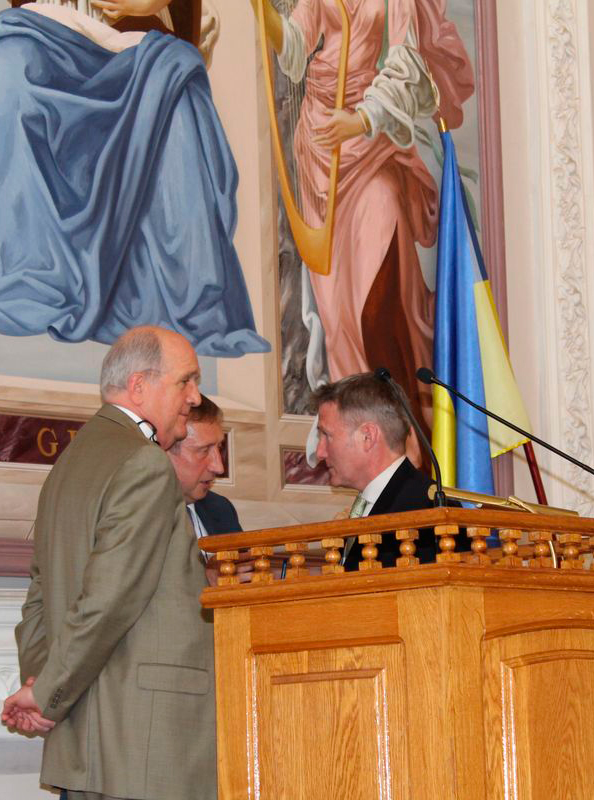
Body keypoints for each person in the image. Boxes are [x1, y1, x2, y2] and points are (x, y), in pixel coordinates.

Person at [0, 1, 270, 359]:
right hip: (47, 35)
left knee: (174, 92)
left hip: (136, 39)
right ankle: (27, 278)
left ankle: (185, 291)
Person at [2, 325, 217, 800]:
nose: (195, 397)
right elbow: (110, 599)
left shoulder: (69, 464)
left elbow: (39, 597)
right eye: (185, 381)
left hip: (89, 740)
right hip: (145, 743)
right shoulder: (146, 463)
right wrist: (46, 693)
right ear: (139, 386)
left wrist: (43, 684)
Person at [250, 0, 474, 422]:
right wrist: (264, 14)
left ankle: (401, 427)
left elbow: (408, 64)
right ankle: (357, 427)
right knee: (338, 317)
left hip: (371, 145)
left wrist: (362, 119)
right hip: (320, 145)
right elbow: (295, 46)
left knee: (376, 304)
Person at [313, 372, 464, 569]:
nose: (320, 452)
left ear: (368, 437)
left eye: (327, 435)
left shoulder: (432, 511)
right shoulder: (371, 504)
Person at [167, 394, 242, 538]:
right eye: (204, 450)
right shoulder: (138, 515)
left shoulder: (221, 509)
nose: (219, 467)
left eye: (219, 447)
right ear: (164, 449)